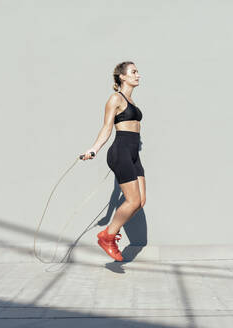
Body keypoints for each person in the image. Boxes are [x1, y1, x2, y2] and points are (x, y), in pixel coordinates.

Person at [80, 61, 146, 262]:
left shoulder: (132, 102)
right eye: (133, 72)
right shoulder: (115, 98)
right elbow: (107, 128)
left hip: (134, 153)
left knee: (140, 201)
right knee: (132, 200)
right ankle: (107, 237)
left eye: (138, 72)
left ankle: (110, 233)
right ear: (122, 77)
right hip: (121, 151)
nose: (138, 75)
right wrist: (94, 149)